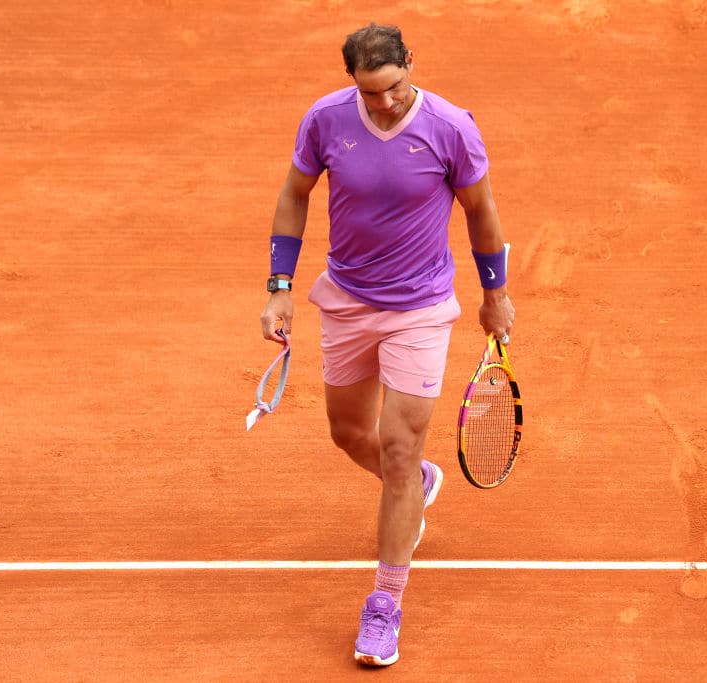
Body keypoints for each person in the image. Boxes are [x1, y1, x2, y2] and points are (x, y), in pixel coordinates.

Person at [259, 23, 514, 667]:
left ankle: (384, 606)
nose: (385, 104)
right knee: (349, 434)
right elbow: (294, 196)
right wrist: (280, 286)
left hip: (421, 310)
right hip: (346, 300)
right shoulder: (325, 121)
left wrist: (494, 293)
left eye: (395, 88)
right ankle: (416, 482)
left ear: (411, 66)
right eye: (370, 94)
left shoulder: (452, 127)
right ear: (353, 83)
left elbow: (481, 211)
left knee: (398, 451)